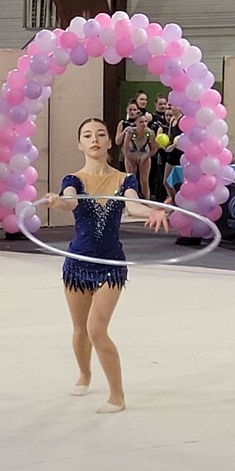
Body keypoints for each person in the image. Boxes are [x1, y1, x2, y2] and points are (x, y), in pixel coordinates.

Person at [40, 118, 167, 414]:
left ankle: (117, 396)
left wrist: (152, 211)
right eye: (87, 135)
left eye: (100, 134)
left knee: (96, 329)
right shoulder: (73, 180)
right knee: (80, 329)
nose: (94, 139)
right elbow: (70, 202)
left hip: (110, 265)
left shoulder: (125, 179)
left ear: (110, 141)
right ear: (79, 144)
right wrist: (56, 202)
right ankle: (84, 374)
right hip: (77, 263)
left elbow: (133, 205)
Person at [116, 112, 154, 203]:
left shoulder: (149, 133)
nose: (144, 124)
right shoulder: (130, 132)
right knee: (131, 179)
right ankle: (132, 201)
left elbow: (154, 147)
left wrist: (147, 157)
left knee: (144, 181)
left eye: (145, 121)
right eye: (141, 122)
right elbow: (125, 149)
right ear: (135, 123)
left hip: (144, 155)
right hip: (131, 154)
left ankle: (146, 202)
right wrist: (130, 161)